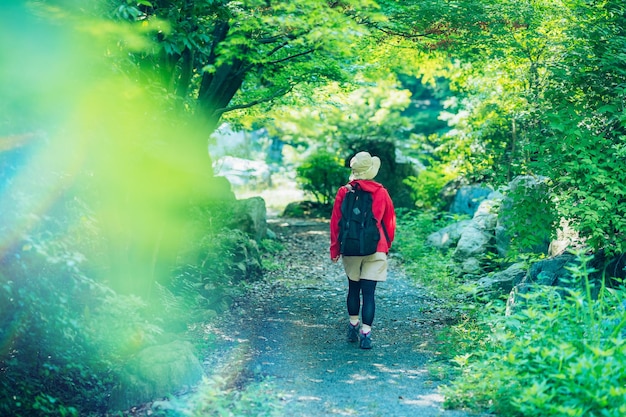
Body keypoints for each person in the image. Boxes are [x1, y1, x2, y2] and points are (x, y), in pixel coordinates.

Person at [330, 151, 396, 349]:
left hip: (351, 247)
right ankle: (366, 334)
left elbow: (336, 222)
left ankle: (353, 325)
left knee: (353, 289)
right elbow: (390, 222)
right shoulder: (381, 192)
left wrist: (335, 249)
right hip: (376, 247)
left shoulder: (344, 191)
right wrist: (387, 244)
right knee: (369, 294)